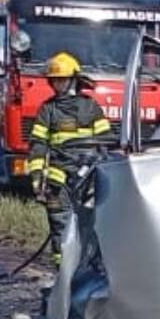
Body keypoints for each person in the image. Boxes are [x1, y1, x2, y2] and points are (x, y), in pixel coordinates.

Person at [25, 52, 111, 263]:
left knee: (90, 223)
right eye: (54, 81)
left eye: (62, 80)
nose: (58, 85)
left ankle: (88, 268)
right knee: (59, 223)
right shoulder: (48, 109)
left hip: (88, 177)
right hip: (58, 178)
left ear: (73, 79)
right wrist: (37, 178)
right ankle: (62, 273)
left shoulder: (91, 107)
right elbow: (37, 144)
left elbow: (106, 142)